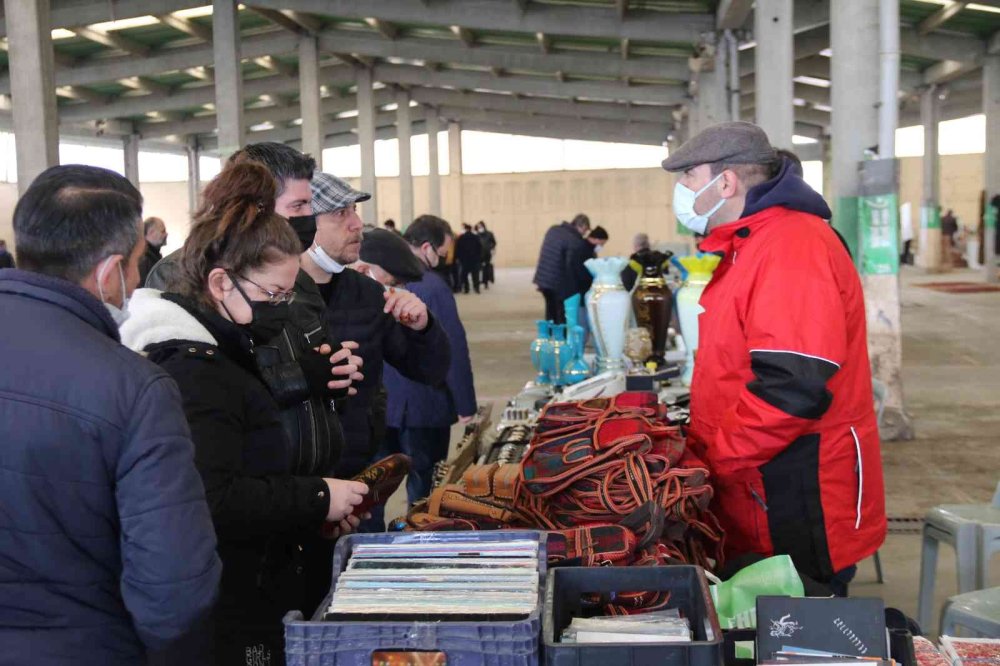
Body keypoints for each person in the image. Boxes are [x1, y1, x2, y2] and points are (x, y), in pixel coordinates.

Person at [120, 162, 369, 665]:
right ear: (219, 283)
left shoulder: (228, 347)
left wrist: (308, 514)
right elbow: (215, 498)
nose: (280, 308)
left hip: (259, 574)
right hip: (230, 602)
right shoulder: (196, 371)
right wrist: (318, 495)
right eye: (273, 294)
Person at [0, 165, 221, 665]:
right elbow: (175, 588)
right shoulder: (134, 388)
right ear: (108, 273)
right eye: (138, 263)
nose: (139, 279)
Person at [661, 121, 886, 596]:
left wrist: (713, 461)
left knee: (798, 630)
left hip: (795, 488)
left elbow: (792, 387)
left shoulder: (791, 247)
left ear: (727, 183)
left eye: (688, 178)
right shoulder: (751, 243)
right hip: (759, 480)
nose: (681, 192)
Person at [300, 171, 451, 483]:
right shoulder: (272, 299)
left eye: (354, 211)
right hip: (298, 483)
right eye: (340, 214)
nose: (356, 224)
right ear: (303, 223)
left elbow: (429, 371)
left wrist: (423, 329)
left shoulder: (367, 293)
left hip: (360, 471)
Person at [358, 219, 477, 512]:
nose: (442, 259)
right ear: (427, 248)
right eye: (442, 252)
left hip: (382, 406)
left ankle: (372, 549)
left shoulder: (367, 284)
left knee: (374, 488)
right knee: (423, 490)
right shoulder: (432, 286)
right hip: (424, 407)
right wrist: (466, 405)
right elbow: (454, 350)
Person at [533, 213, 590, 324]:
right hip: (557, 281)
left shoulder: (553, 230)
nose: (585, 234)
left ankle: (550, 332)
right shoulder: (574, 240)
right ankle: (560, 336)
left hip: (543, 279)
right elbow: (570, 265)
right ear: (582, 226)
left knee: (550, 308)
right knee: (560, 312)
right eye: (585, 230)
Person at [455, 222, 484, 294]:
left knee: (464, 275)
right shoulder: (476, 237)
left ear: (465, 229)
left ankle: (466, 289)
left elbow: (458, 249)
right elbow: (480, 248)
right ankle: (476, 288)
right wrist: (479, 257)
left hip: (465, 260)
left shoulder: (461, 237)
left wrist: (459, 258)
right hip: (474, 260)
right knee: (475, 275)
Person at [138, 216, 168, 285]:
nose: (166, 234)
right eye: (163, 231)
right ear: (151, 232)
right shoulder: (143, 258)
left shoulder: (152, 255)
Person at [475, 220, 497, 289]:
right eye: (478, 227)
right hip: (479, 254)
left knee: (486, 268)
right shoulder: (477, 235)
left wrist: (491, 248)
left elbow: (494, 242)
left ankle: (486, 282)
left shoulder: (489, 234)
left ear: (483, 226)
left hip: (487, 253)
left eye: (480, 226)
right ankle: (478, 281)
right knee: (478, 269)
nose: (480, 228)